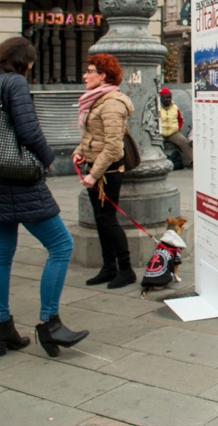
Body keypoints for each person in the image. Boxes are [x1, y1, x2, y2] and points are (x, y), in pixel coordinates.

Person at [0, 37, 87, 358]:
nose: (30, 70)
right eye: (29, 65)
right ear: (22, 62)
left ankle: (1, 326)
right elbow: (28, 130)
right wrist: (48, 159)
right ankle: (49, 322)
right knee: (61, 245)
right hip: (18, 178)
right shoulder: (13, 82)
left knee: (2, 252)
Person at [73, 53, 137, 289]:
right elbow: (92, 135)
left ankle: (126, 269)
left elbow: (113, 147)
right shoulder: (97, 100)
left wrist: (93, 174)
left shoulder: (111, 103)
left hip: (108, 173)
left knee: (108, 220)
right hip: (97, 169)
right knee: (101, 220)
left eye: (90, 71)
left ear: (103, 75)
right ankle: (109, 267)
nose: (85, 75)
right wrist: (80, 150)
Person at [159, 88, 193, 168]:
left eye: (169, 97)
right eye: (165, 98)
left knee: (184, 142)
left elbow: (180, 119)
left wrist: (178, 128)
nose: (168, 100)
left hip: (173, 133)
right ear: (161, 98)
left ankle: (192, 160)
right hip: (161, 132)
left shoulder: (175, 108)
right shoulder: (157, 108)